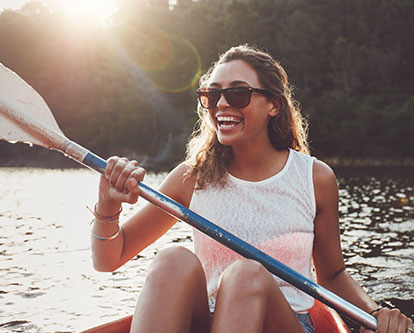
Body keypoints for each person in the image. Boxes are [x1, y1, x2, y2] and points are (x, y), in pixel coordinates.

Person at [90, 44, 413, 333]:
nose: (221, 105)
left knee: (247, 275)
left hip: (285, 323)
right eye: (212, 95)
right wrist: (108, 205)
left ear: (273, 104)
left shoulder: (314, 178)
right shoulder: (193, 177)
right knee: (172, 259)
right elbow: (109, 259)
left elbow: (332, 274)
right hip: (211, 322)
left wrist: (375, 313)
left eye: (238, 93)